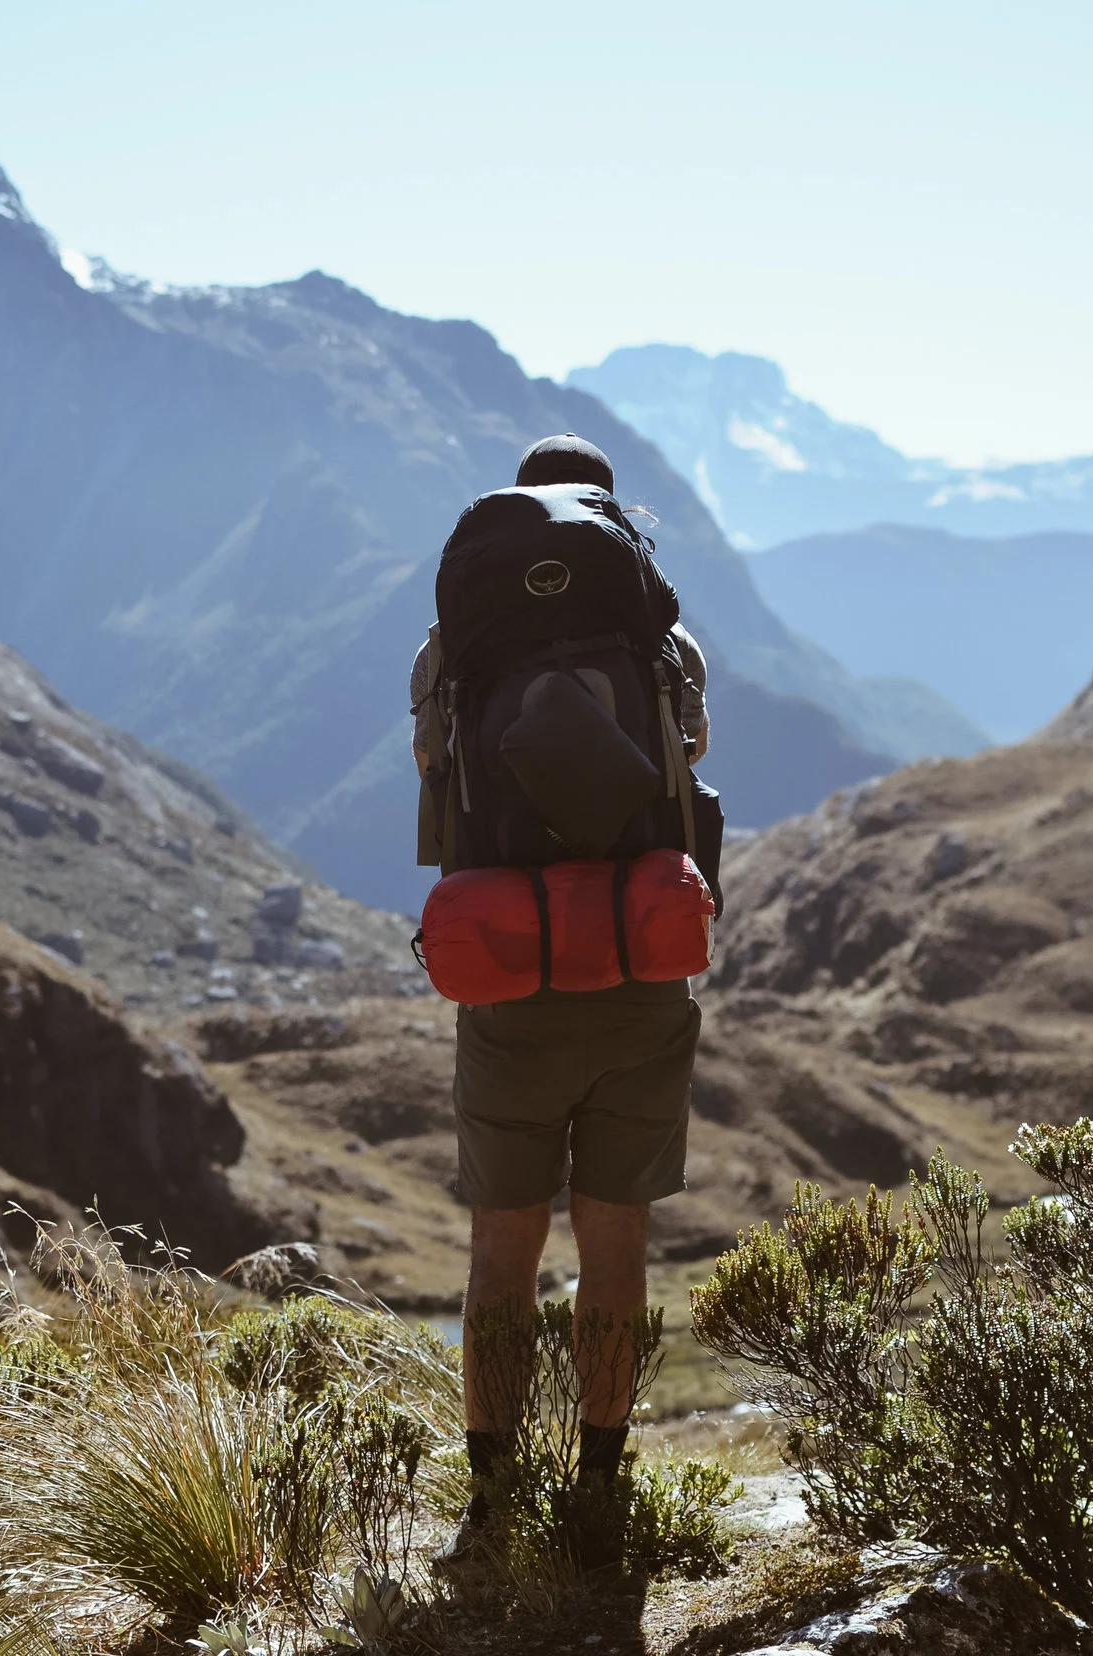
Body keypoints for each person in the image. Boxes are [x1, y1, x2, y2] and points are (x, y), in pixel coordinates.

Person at [409, 434, 710, 1563]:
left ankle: (490, 1499)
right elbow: (690, 766)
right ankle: (599, 1477)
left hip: (510, 978)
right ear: (606, 515)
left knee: (502, 1247)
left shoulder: (451, 650)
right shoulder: (661, 643)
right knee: (614, 1240)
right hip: (639, 968)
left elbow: (439, 790)